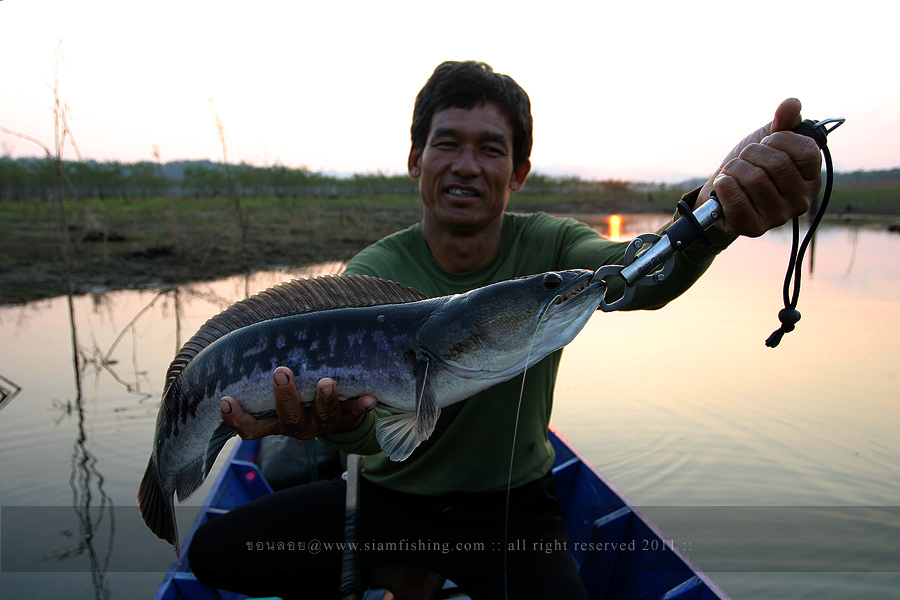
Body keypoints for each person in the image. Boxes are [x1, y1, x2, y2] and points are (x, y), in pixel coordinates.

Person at [188, 60, 821, 599]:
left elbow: (639, 273)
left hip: (510, 507)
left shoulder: (552, 250)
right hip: (386, 503)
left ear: (517, 171)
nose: (467, 165)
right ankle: (400, 566)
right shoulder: (373, 274)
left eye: (491, 148)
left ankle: (415, 574)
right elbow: (368, 437)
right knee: (216, 551)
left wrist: (713, 214)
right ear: (416, 159)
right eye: (447, 143)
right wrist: (341, 423)